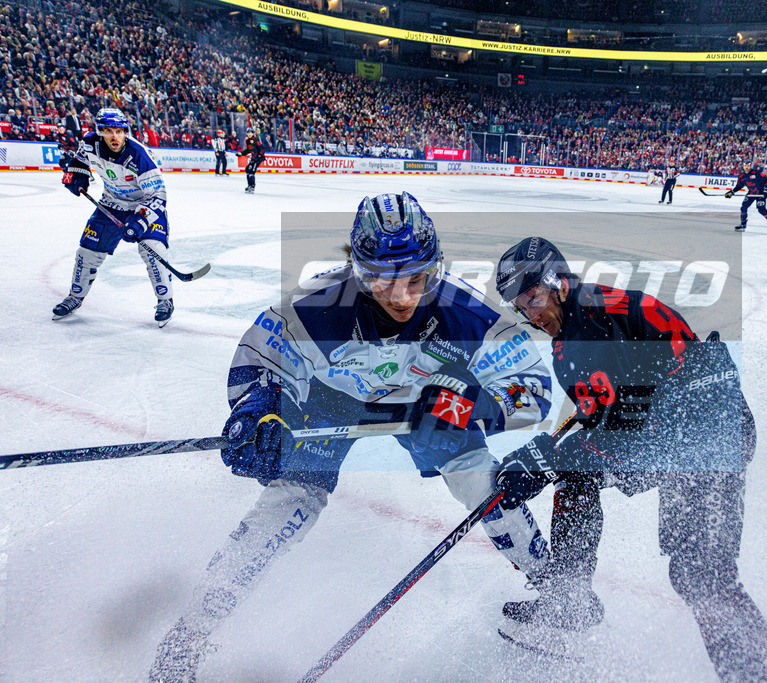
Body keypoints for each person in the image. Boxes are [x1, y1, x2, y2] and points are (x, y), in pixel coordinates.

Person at [148, 192, 554, 681]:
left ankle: (554, 587)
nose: (400, 296)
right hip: (331, 398)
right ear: (356, 270)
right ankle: (192, 630)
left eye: (415, 278)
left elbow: (531, 390)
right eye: (380, 279)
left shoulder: (469, 312)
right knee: (289, 499)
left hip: (428, 401)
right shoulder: (316, 307)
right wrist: (258, 412)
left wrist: (464, 403)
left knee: (479, 480)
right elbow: (261, 364)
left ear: (435, 265)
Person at [491, 237, 767, 681]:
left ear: (557, 282)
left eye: (532, 298)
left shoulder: (609, 318)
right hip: (675, 440)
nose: (530, 314)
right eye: (520, 305)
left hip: (710, 435)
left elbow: (651, 416)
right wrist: (548, 456)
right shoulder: (570, 341)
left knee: (701, 576)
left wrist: (556, 457)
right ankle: (569, 602)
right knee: (576, 477)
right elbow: (611, 421)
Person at [54, 107, 175, 326]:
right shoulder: (89, 144)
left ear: (126, 132)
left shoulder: (139, 155)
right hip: (111, 205)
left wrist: (139, 222)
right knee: (86, 252)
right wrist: (77, 176)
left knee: (154, 252)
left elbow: (158, 195)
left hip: (144, 207)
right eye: (108, 131)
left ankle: (165, 301)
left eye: (119, 131)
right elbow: (78, 162)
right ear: (100, 131)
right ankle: (75, 297)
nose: (115, 136)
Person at [725, 162, 767, 232]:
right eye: (745, 166)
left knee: (761, 210)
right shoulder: (742, 176)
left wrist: (766, 190)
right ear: (743, 167)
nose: (746, 167)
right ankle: (743, 224)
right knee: (743, 207)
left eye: (748, 166)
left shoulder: (756, 173)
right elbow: (739, 186)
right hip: (751, 193)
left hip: (760, 193)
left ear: (750, 166)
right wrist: (732, 192)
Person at [239, 129, 265, 193]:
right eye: (248, 133)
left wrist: (259, 156)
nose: (248, 134)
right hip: (253, 158)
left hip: (258, 158)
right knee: (248, 169)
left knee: (252, 171)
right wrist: (242, 153)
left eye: (250, 133)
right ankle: (249, 185)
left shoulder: (256, 139)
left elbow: (262, 149)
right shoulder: (248, 141)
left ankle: (252, 186)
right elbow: (248, 149)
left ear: (252, 133)